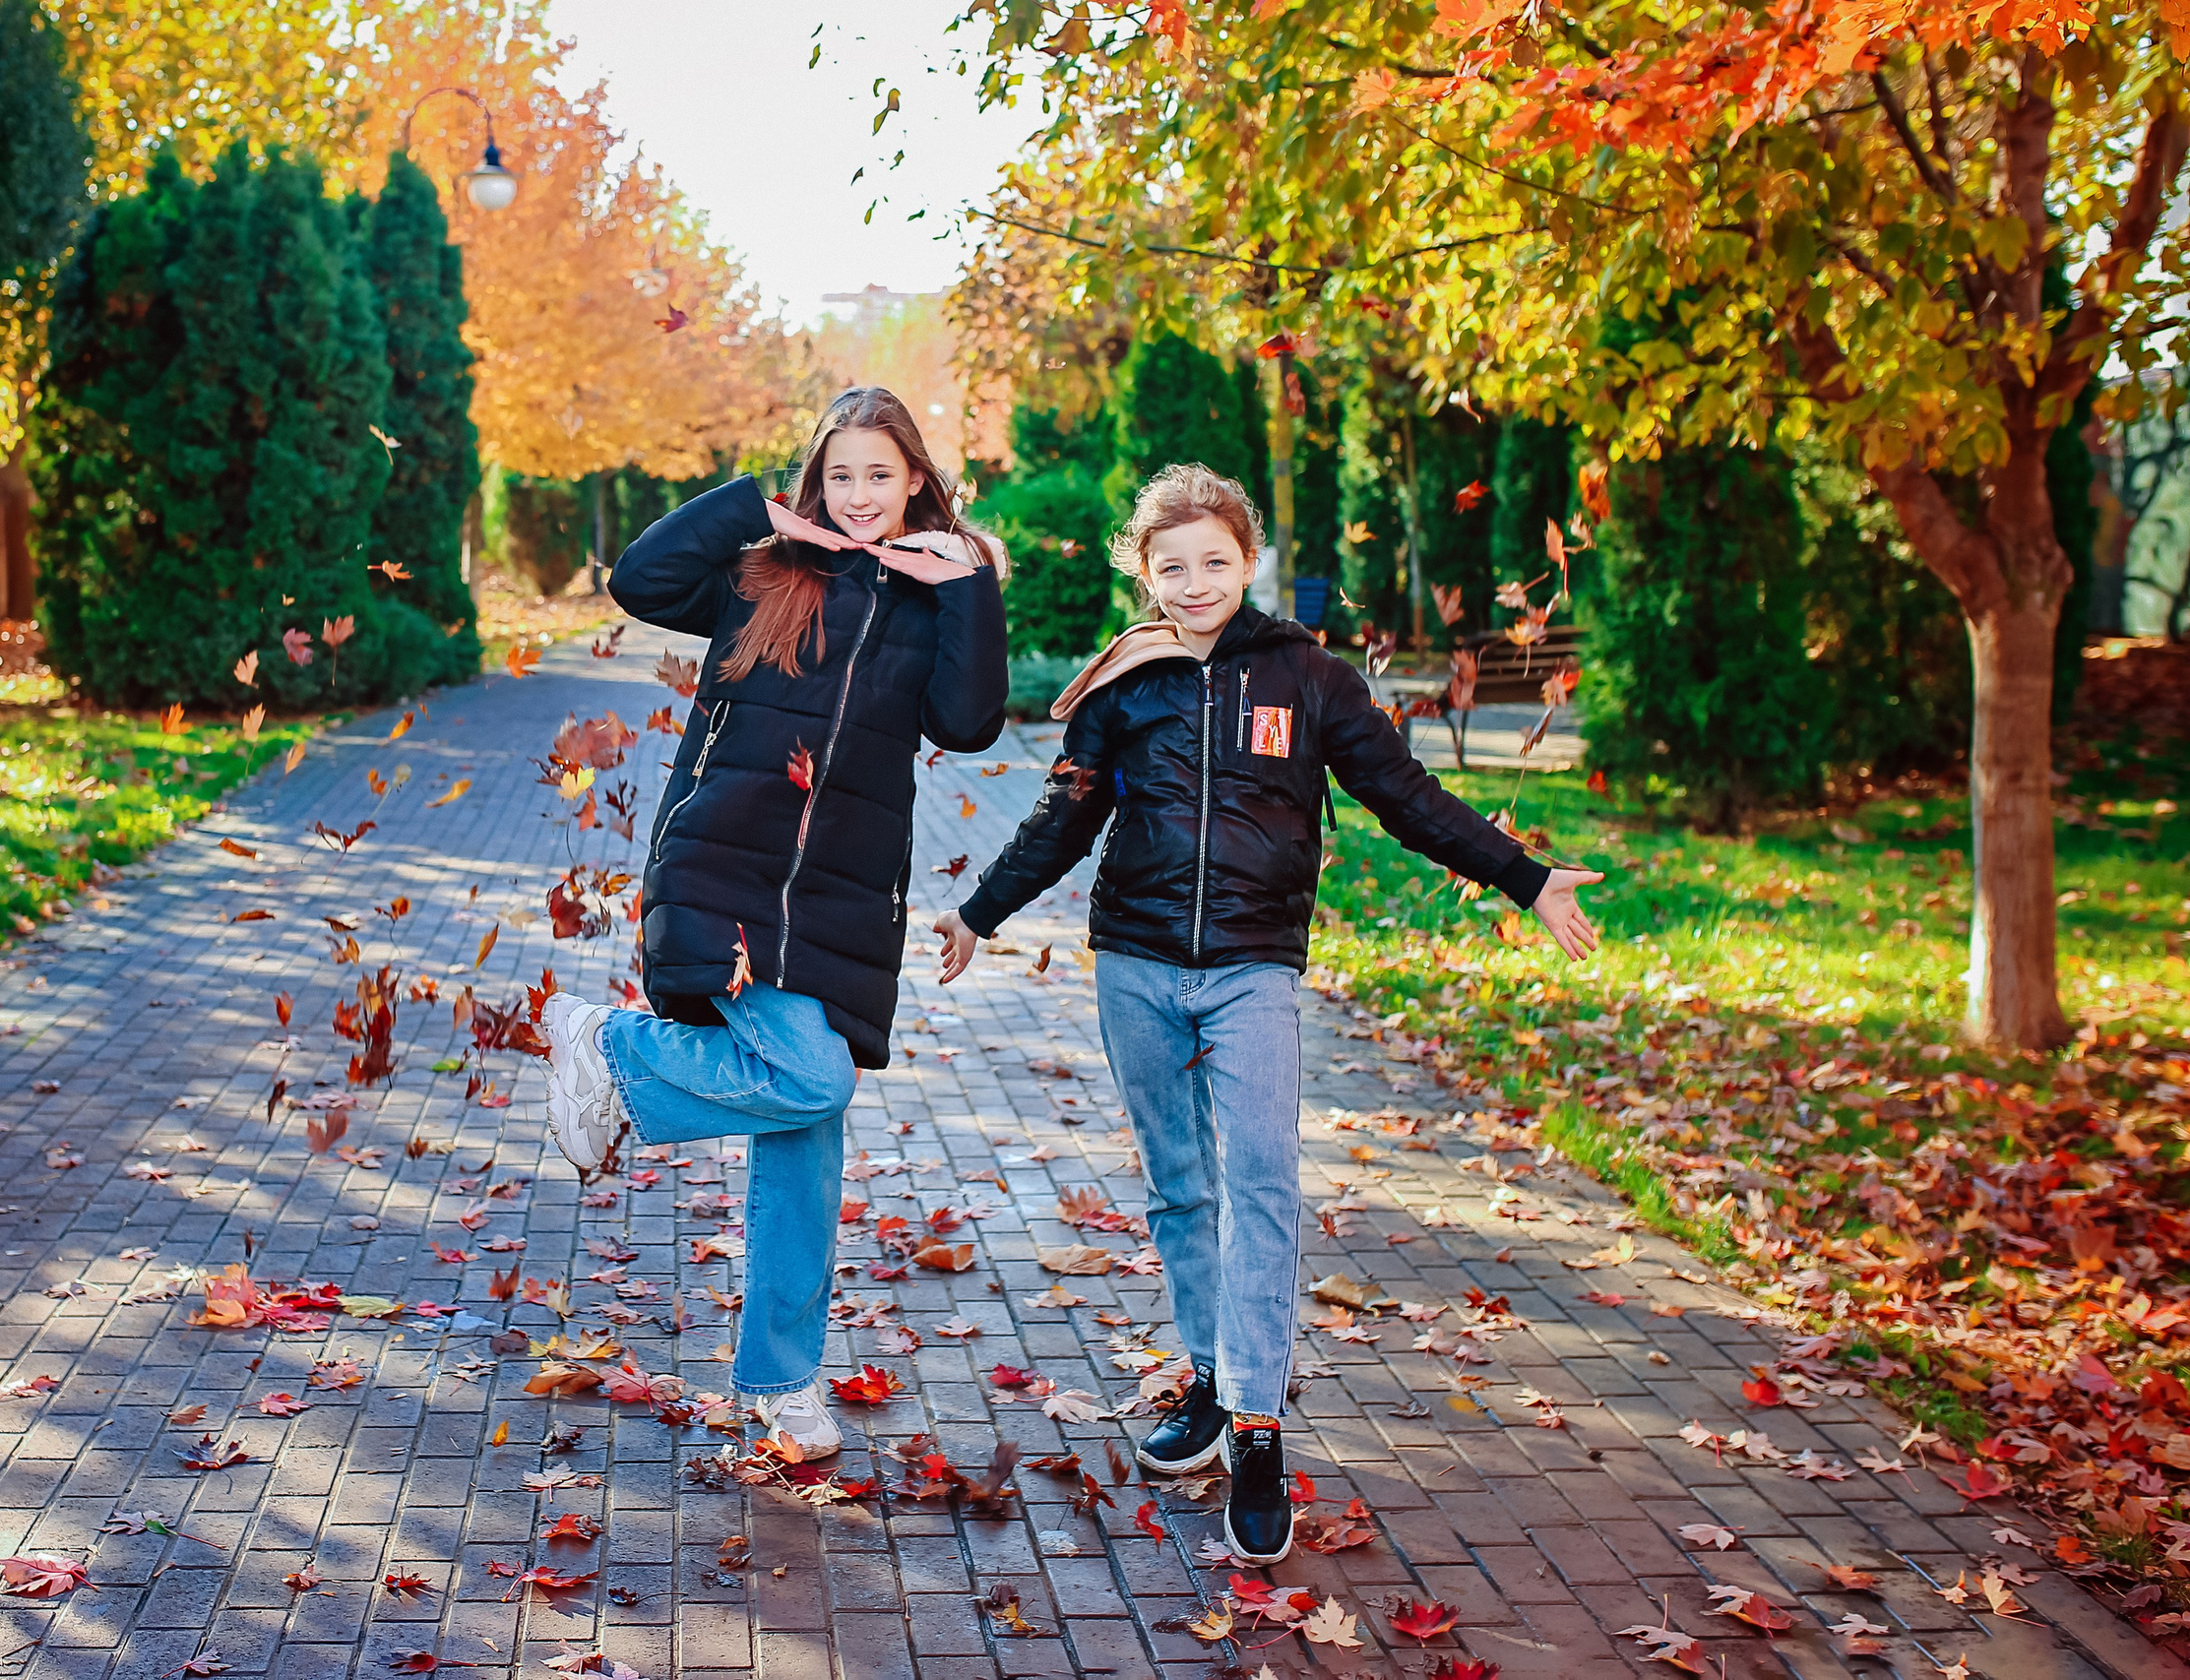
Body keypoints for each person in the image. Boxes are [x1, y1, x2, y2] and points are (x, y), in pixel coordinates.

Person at [932, 463, 1600, 1563]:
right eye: (1170, 565)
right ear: (1140, 573)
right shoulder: (1122, 684)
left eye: (1214, 562)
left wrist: (1523, 877)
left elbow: (1406, 797)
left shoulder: (1310, 677)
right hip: (1135, 967)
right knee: (1177, 1188)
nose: (1193, 583)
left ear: (1249, 562)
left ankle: (1255, 1425)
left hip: (1253, 971)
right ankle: (1205, 1378)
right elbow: (1064, 818)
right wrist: (978, 912)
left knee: (1261, 1184)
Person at [539, 387, 1008, 1460]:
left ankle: (782, 1383)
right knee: (811, 1080)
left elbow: (971, 723)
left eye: (878, 477)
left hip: (841, 896)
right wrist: (757, 509)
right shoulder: (765, 577)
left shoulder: (937, 594)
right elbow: (640, 579)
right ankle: (612, 1046)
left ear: (916, 483)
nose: (857, 497)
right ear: (815, 480)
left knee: (806, 1133)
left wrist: (968, 582)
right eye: (838, 475)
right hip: (728, 868)